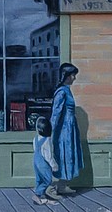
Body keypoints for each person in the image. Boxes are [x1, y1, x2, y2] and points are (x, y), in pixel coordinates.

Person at [50, 63, 84, 196]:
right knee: (63, 156)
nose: (74, 78)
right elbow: (56, 112)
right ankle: (55, 187)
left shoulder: (67, 90)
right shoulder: (61, 92)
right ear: (66, 76)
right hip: (64, 130)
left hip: (70, 128)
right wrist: (50, 131)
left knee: (68, 156)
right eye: (72, 75)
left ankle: (62, 186)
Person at [31, 116, 59, 204]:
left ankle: (40, 194)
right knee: (47, 180)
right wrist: (53, 165)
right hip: (43, 163)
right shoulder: (47, 140)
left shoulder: (35, 138)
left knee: (39, 178)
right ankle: (37, 194)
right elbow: (48, 156)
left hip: (36, 160)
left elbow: (35, 149)